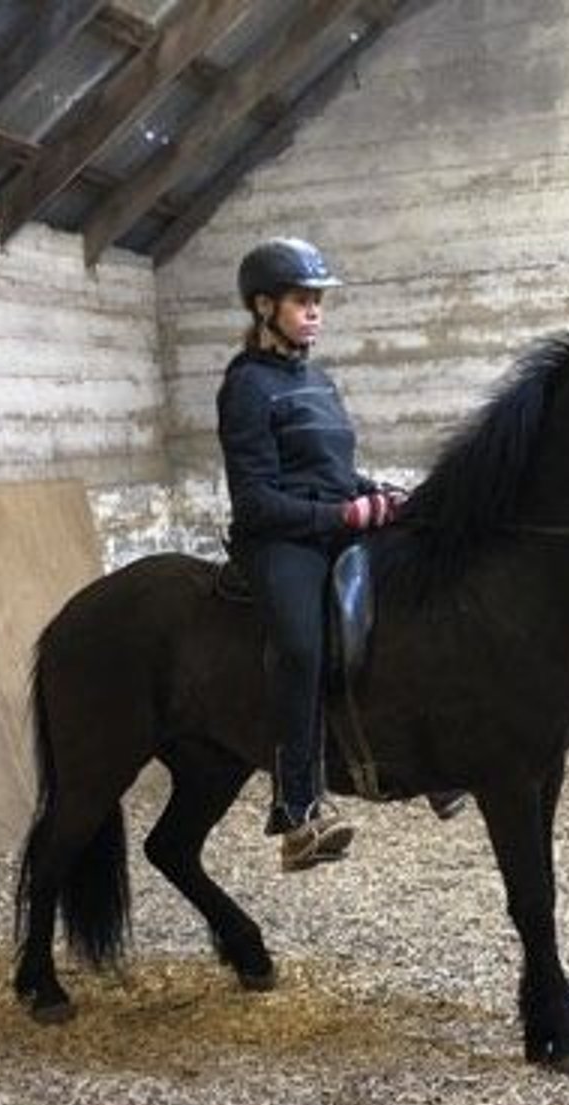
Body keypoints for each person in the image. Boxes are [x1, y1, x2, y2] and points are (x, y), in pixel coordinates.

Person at [218, 237, 402, 872]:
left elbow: (333, 470)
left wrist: (374, 493)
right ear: (264, 307)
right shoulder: (246, 386)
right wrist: (340, 514)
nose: (315, 312)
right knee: (301, 646)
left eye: (318, 301)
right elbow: (255, 500)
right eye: (303, 301)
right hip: (280, 542)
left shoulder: (318, 379)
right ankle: (295, 811)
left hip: (332, 525)